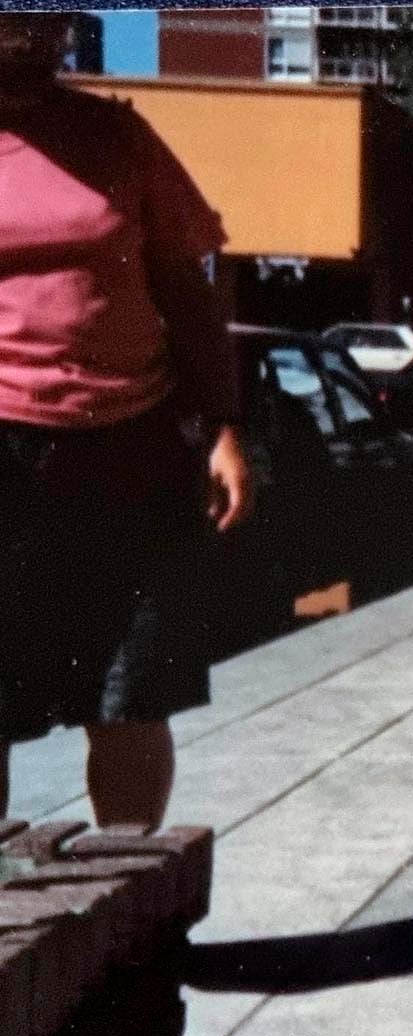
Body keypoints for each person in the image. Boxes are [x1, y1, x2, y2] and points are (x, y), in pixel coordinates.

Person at [0, 12, 252, 830]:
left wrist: (222, 426)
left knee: (130, 695)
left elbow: (187, 289)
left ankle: (137, 918)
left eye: (43, 26)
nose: (28, 40)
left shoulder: (118, 138)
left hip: (131, 446)